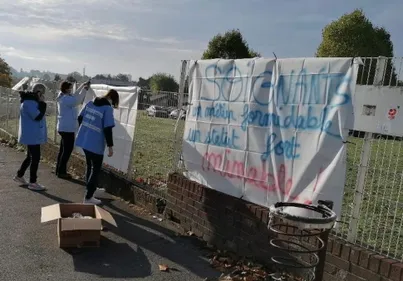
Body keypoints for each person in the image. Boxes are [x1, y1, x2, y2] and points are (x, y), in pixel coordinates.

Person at [75, 89, 119, 204]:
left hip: (84, 139)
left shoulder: (90, 103)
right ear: (112, 100)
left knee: (90, 165)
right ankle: (88, 197)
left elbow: (80, 117)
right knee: (96, 169)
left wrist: (85, 129)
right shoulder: (107, 109)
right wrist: (110, 146)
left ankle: (91, 189)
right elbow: (107, 128)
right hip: (95, 143)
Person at [14, 83, 48, 191]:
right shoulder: (30, 103)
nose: (43, 96)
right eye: (42, 94)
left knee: (30, 157)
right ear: (38, 93)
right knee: (35, 158)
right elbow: (37, 116)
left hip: (31, 134)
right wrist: (42, 103)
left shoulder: (28, 101)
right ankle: (33, 182)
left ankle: (20, 175)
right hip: (32, 135)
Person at [55, 80, 90, 178]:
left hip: (64, 127)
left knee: (63, 150)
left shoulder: (63, 96)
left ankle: (58, 170)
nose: (72, 90)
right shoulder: (66, 99)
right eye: (70, 88)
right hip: (67, 128)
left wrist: (82, 85)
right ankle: (61, 172)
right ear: (66, 89)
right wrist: (84, 90)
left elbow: (74, 96)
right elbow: (77, 101)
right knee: (67, 150)